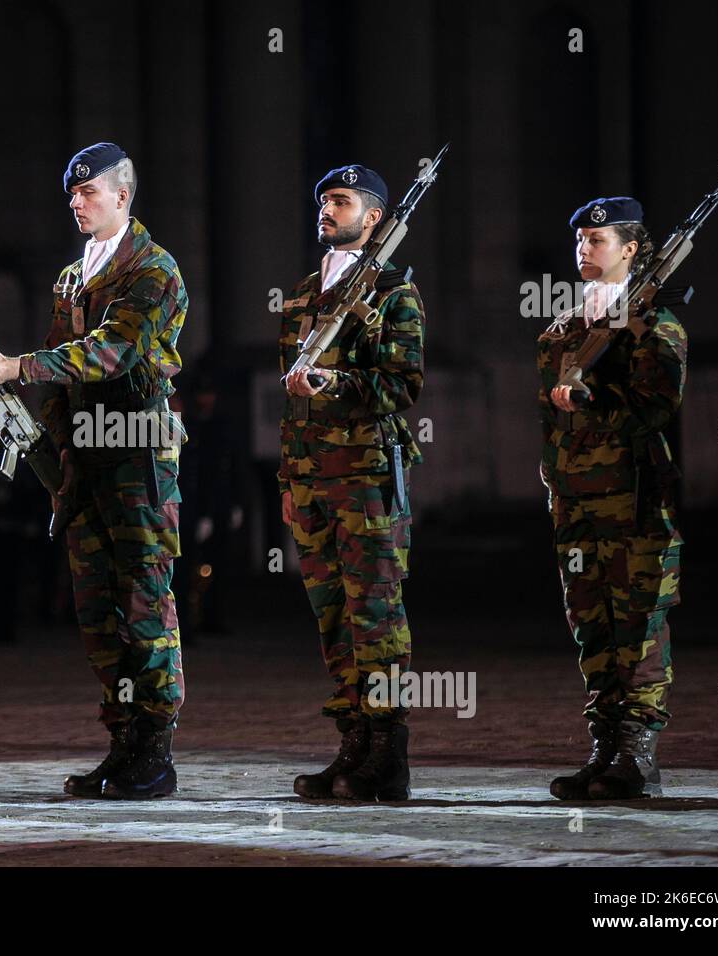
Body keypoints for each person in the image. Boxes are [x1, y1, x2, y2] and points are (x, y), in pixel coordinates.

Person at [0, 142, 188, 799]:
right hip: (85, 463)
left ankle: (156, 750)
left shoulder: (154, 269)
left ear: (123, 195)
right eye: (72, 192)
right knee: (96, 612)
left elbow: (111, 354)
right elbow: (65, 385)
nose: (76, 202)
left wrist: (15, 367)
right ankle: (122, 744)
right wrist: (56, 453)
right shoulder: (71, 278)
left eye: (89, 191)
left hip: (137, 454)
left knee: (144, 604)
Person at [279, 164, 424, 802]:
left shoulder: (394, 293)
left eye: (342, 201)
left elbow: (402, 386)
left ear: (374, 218)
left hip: (365, 475)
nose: (326, 210)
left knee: (376, 613)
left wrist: (334, 382)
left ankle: (388, 754)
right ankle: (353, 746)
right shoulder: (305, 293)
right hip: (312, 478)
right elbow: (294, 402)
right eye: (323, 201)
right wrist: (290, 475)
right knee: (332, 614)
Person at [539, 197, 685, 800]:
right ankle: (603, 749)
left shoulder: (656, 326)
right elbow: (550, 422)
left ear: (630, 249)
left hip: (633, 500)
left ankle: (637, 755)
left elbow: (656, 407)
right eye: (579, 240)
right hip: (576, 503)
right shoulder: (563, 329)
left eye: (597, 239)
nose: (584, 249)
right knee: (591, 627)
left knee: (639, 625)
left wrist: (593, 399)